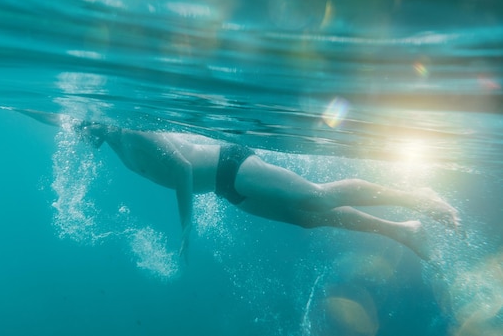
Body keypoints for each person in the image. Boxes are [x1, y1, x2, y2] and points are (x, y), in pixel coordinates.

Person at [78, 122, 460, 261]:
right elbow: (54, 116)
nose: (81, 132)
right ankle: (405, 231)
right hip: (224, 190)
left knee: (317, 196)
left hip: (231, 165)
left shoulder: (132, 132)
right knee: (310, 219)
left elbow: (181, 168)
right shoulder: (113, 141)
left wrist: (185, 226)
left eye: (86, 124)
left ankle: (419, 198)